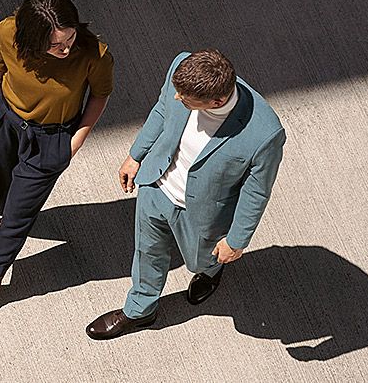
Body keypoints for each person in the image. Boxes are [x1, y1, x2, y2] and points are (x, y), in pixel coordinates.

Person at [86, 49, 286, 340]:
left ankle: (211, 271)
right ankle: (140, 310)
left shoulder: (264, 134)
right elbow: (162, 110)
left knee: (201, 261)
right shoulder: (182, 66)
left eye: (186, 99)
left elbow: (256, 192)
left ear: (217, 101)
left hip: (204, 214)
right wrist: (136, 155)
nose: (178, 98)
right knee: (147, 253)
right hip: (157, 187)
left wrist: (236, 241)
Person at [0, 0, 113, 323]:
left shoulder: (94, 55)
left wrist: (74, 143)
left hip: (50, 138)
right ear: (31, 37)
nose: (66, 48)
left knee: (19, 214)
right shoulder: (7, 33)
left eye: (69, 38)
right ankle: (4, 221)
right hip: (5, 119)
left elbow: (99, 96)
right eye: (57, 45)